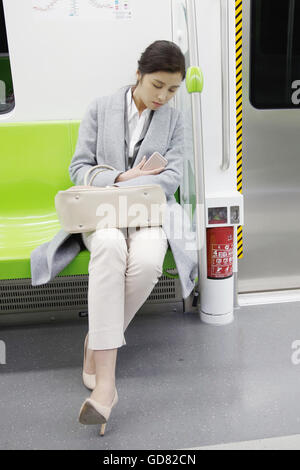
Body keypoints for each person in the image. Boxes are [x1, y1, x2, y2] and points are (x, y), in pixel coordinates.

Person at [66, 40, 194, 434]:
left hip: (149, 212)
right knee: (107, 246)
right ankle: (106, 387)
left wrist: (143, 185)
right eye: (157, 85)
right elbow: (79, 169)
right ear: (138, 75)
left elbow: (172, 176)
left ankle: (95, 343)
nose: (163, 96)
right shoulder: (99, 108)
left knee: (148, 263)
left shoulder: (174, 120)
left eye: (172, 90)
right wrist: (121, 178)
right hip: (103, 213)